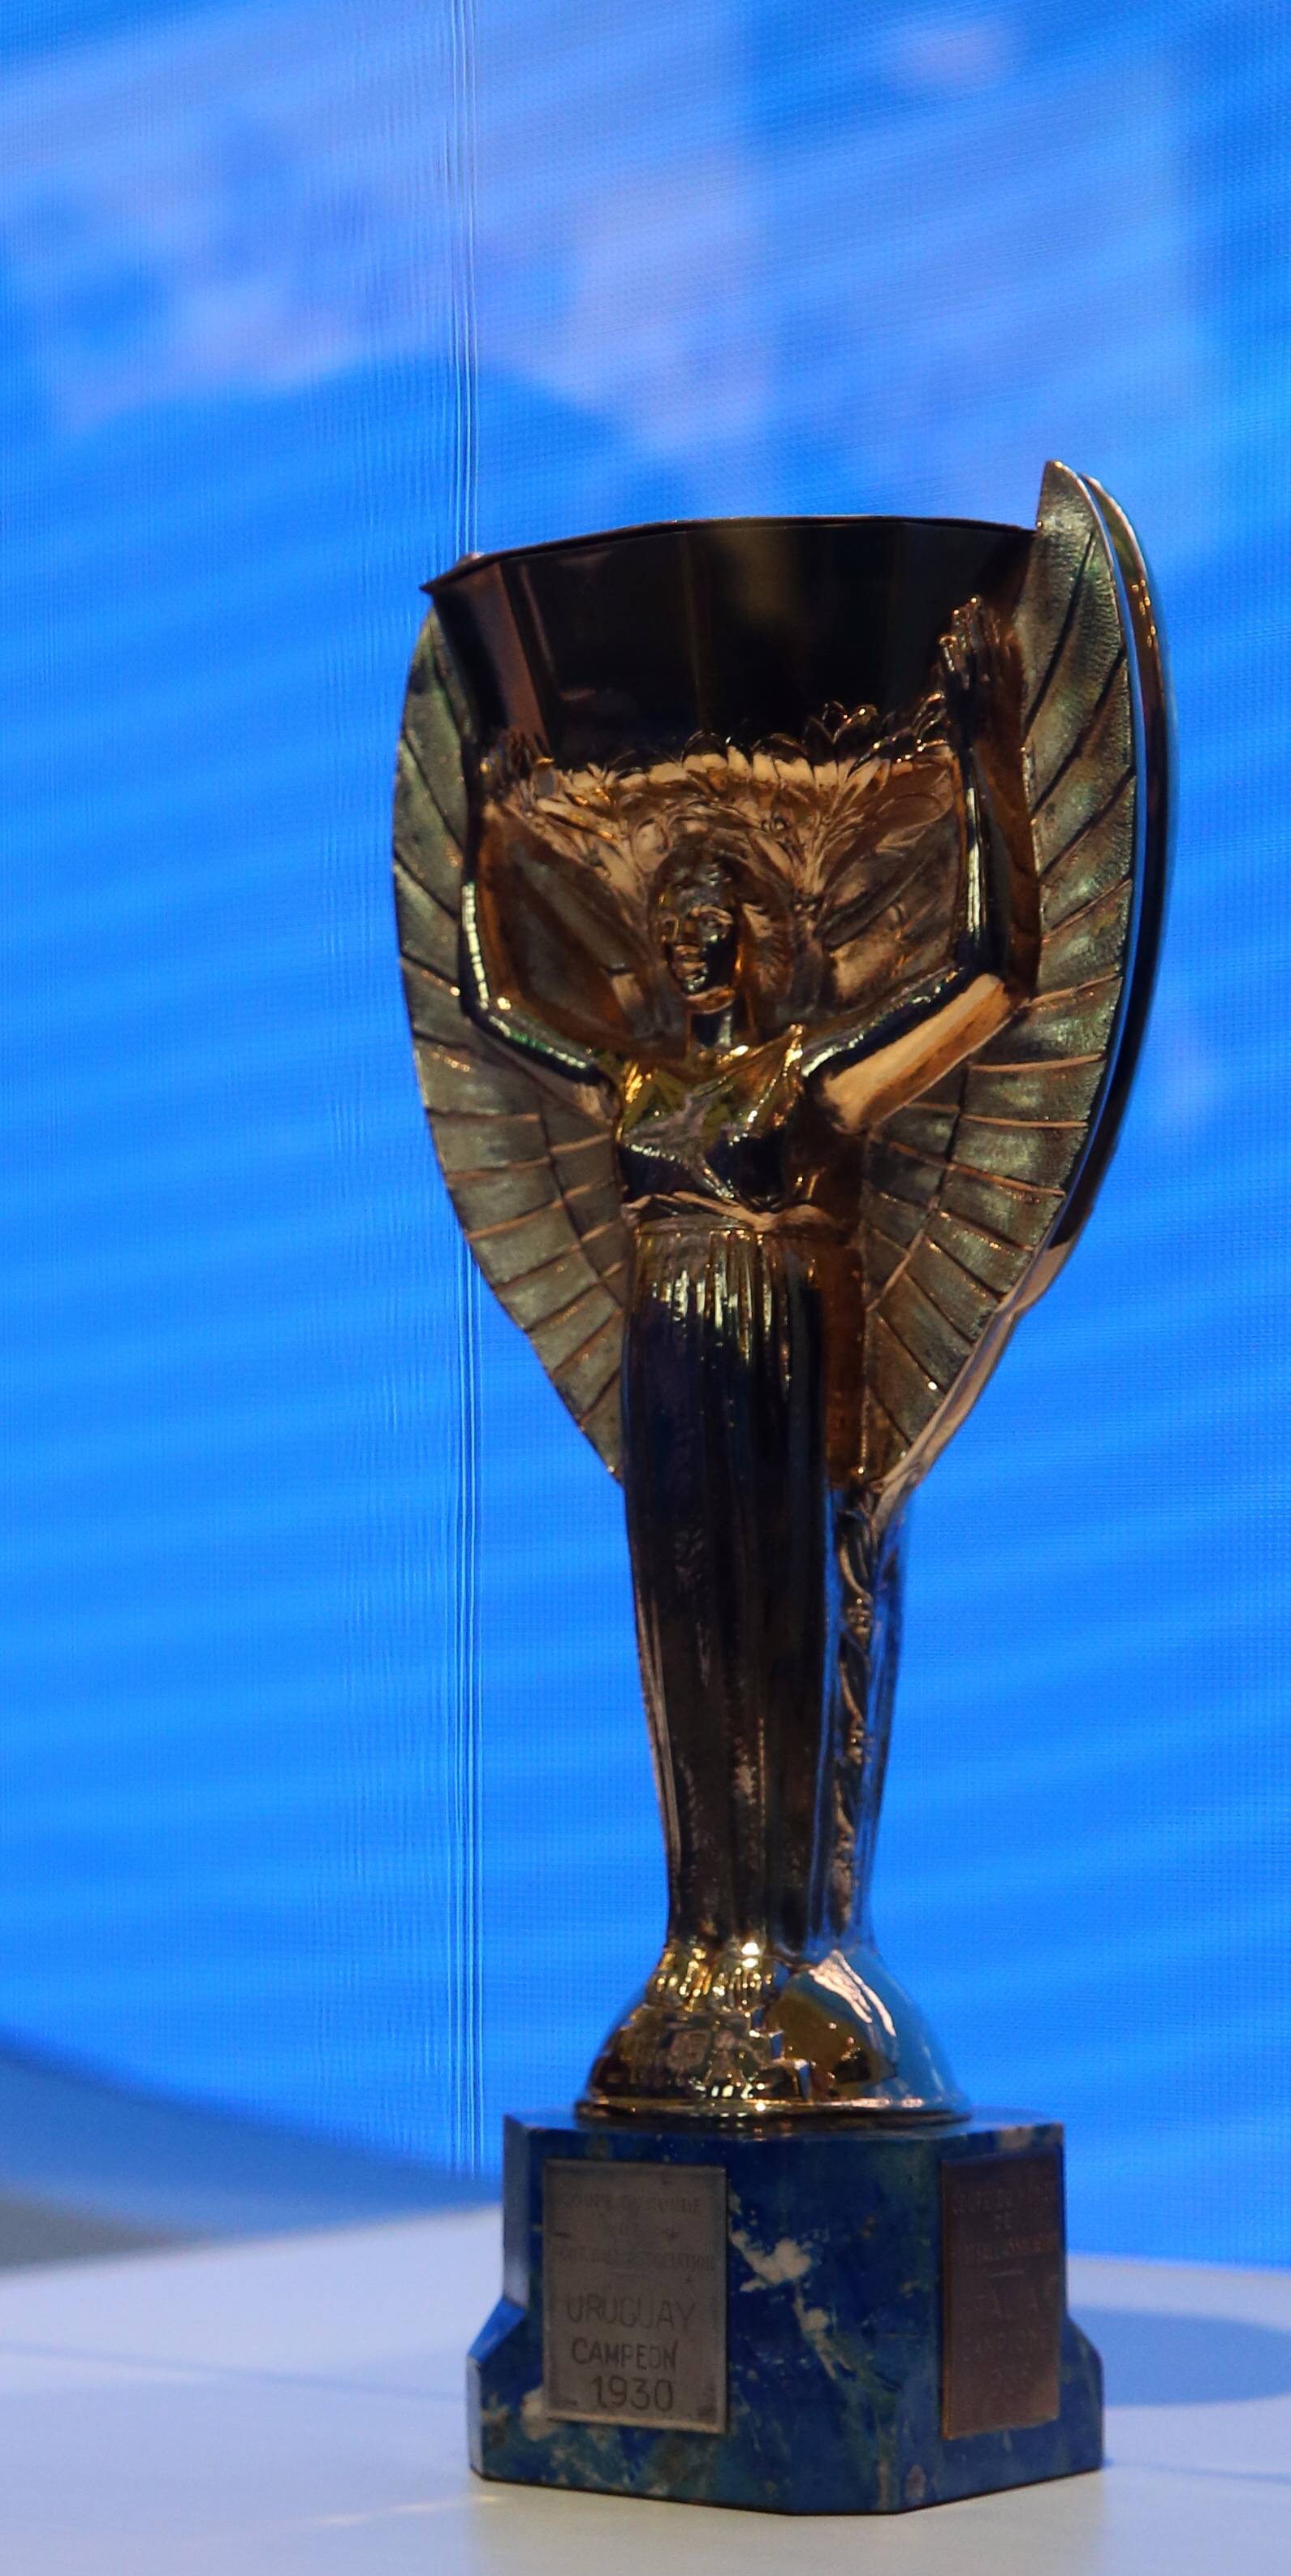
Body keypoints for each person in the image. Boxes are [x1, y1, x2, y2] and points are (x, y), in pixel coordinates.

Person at [456, 602, 1030, 2116]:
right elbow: (498, 1010)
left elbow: (992, 976)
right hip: (668, 1373)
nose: (697, 951)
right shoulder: (639, 1075)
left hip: (784, 1370)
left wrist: (983, 759)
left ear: (764, 950)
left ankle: (788, 1944)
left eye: (720, 931)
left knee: (788, 1635)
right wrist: (477, 820)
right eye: (676, 935)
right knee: (682, 1633)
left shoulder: (816, 1081)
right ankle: (701, 1945)